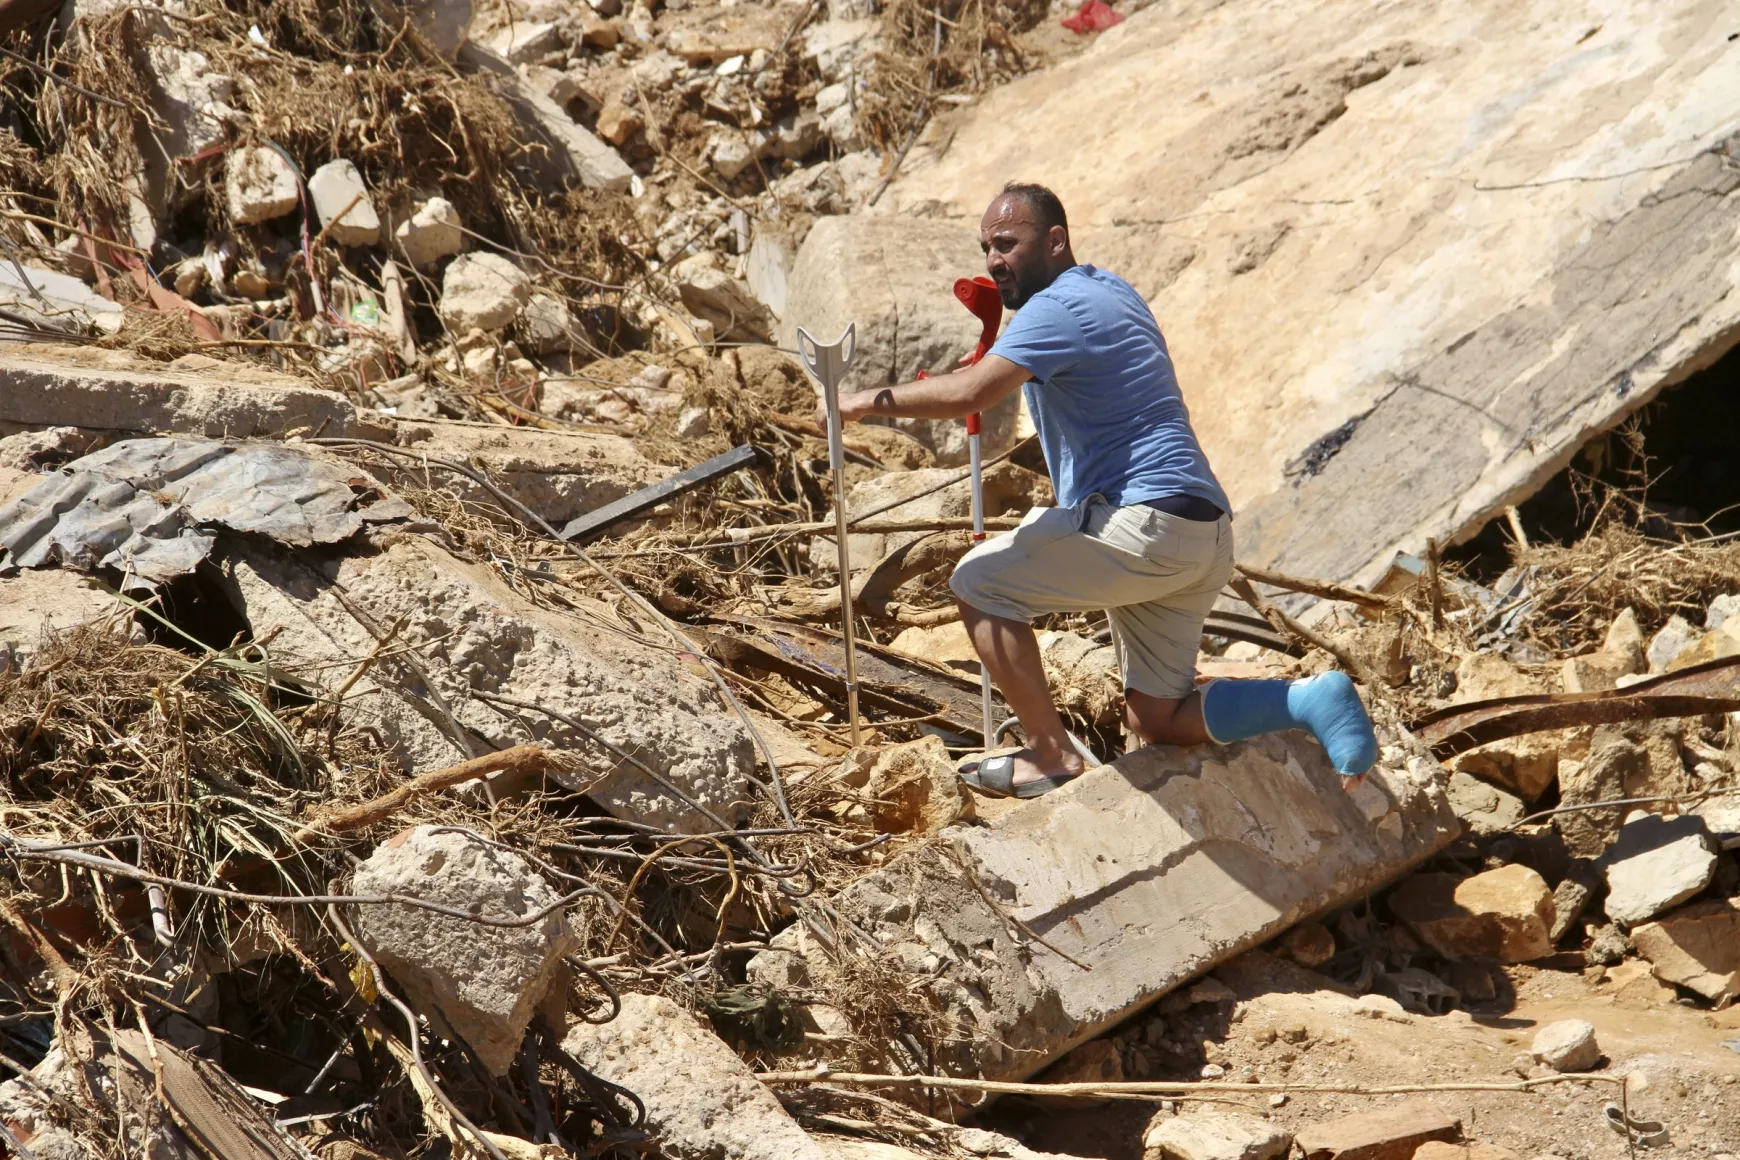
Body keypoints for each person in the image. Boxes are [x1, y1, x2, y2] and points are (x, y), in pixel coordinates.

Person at [822, 181, 1378, 797]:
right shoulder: (1111, 289)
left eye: (1007, 243)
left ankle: (1051, 754)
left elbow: (970, 395)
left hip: (1144, 524)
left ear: (1055, 240)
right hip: (1202, 533)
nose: (991, 260)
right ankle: (1310, 701)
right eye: (985, 246)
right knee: (1157, 718)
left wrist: (856, 404)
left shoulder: (1054, 309)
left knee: (979, 584)